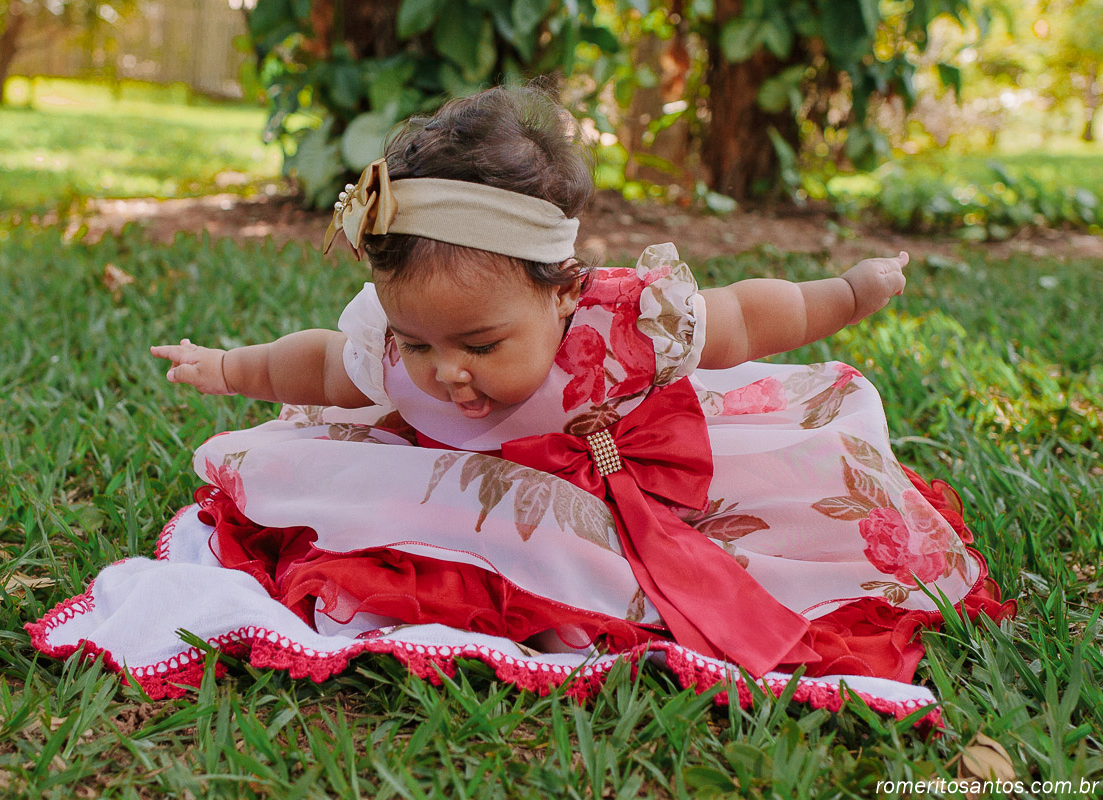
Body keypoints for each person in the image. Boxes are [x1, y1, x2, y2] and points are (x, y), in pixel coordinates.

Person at [149, 86, 1011, 681]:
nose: (446, 371)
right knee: (364, 525)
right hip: (449, 481)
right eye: (418, 343)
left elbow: (747, 318)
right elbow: (317, 367)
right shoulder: (393, 345)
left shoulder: (621, 325)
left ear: (562, 292)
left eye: (481, 344)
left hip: (599, 476)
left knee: (757, 539)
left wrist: (848, 293)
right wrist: (226, 367)